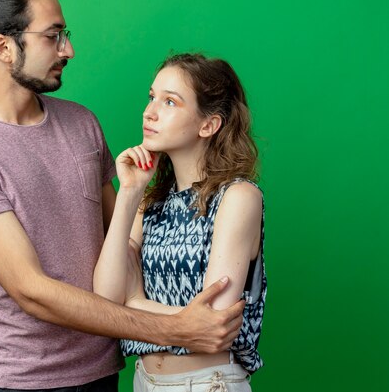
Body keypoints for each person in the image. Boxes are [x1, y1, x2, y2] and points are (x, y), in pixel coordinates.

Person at [0, 0, 245, 392]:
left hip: (104, 371)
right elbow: (32, 290)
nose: (68, 50)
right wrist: (176, 330)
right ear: (3, 47)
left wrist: (139, 193)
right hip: (21, 378)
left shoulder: (81, 123)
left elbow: (126, 251)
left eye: (66, 34)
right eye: (53, 36)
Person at [93, 53, 266, 392]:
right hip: (145, 381)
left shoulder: (238, 196)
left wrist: (132, 307)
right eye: (152, 97)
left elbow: (212, 324)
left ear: (208, 125)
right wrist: (129, 193)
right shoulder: (150, 199)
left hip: (206, 383)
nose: (150, 112)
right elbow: (106, 298)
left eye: (170, 101)